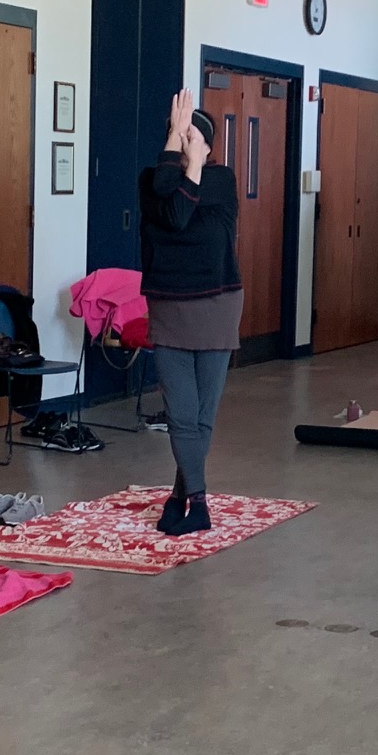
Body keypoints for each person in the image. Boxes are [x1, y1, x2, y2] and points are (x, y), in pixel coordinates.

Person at [139, 91, 241, 536]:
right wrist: (177, 146)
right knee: (181, 413)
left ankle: (182, 495)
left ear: (209, 147)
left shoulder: (222, 180)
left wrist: (195, 164)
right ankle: (197, 501)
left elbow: (180, 209)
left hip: (217, 306)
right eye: (177, 136)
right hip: (169, 307)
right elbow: (176, 208)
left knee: (203, 415)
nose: (183, 143)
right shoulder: (152, 180)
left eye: (191, 137)